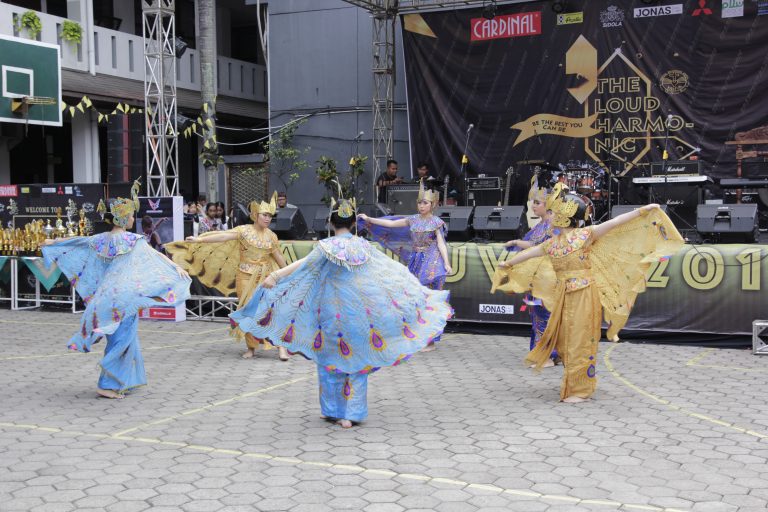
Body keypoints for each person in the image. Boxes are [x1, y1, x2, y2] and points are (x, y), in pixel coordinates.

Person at [230, 191, 452, 428]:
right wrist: (415, 288)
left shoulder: (326, 246)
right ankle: (351, 414)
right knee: (356, 358)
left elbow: (303, 265)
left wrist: (275, 275)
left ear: (330, 222)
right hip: (358, 313)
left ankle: (331, 410)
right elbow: (389, 270)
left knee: (328, 357)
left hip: (330, 312)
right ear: (355, 223)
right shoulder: (364, 246)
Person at [492, 186, 684, 403]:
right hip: (563, 295)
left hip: (584, 294)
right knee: (564, 339)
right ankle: (572, 380)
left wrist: (642, 211)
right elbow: (529, 253)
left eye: (554, 212)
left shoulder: (585, 235)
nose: (550, 216)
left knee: (579, 341)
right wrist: (508, 263)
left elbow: (614, 223)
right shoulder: (551, 243)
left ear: (565, 216)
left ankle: (578, 389)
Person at [42, 181, 191, 399]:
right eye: (131, 216)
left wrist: (52, 241)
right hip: (124, 298)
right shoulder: (133, 240)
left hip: (106, 298)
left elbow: (77, 242)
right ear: (123, 218)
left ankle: (123, 381)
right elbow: (155, 256)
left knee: (123, 339)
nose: (133, 219)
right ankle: (106, 385)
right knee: (123, 340)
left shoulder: (101, 239)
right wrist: (175, 266)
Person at [166, 192, 290, 360]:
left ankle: (281, 346)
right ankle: (251, 347)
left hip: (266, 278)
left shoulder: (271, 236)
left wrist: (290, 273)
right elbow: (223, 236)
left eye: (270, 216)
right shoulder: (244, 231)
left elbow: (279, 257)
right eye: (265, 215)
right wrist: (199, 240)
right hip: (245, 276)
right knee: (247, 310)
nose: (268, 218)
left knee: (271, 310)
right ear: (255, 215)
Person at [358, 179, 452, 352]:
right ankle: (418, 335)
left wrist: (446, 263)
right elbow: (391, 224)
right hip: (416, 260)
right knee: (414, 296)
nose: (421, 206)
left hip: (432, 259)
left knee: (429, 296)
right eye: (419, 202)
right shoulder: (413, 220)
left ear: (433, 204)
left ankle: (430, 340)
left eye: (425, 203)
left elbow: (441, 244)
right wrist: (369, 218)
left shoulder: (436, 222)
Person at [503, 182, 557, 367]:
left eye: (537, 202)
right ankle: (546, 353)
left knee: (544, 314)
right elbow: (533, 246)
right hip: (537, 277)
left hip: (548, 277)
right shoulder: (540, 226)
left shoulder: (553, 226)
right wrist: (517, 242)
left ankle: (547, 356)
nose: (533, 206)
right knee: (538, 314)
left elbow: (543, 248)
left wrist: (518, 241)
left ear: (548, 204)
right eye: (532, 202)